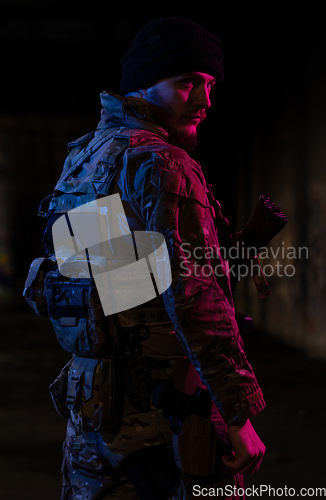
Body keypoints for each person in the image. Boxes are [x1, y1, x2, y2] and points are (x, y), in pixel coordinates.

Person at [44, 17, 266, 499]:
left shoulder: (88, 157)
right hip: (164, 408)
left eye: (208, 85)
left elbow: (106, 282)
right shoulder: (162, 163)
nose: (205, 101)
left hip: (93, 404)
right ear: (145, 83)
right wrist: (237, 413)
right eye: (187, 82)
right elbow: (194, 296)